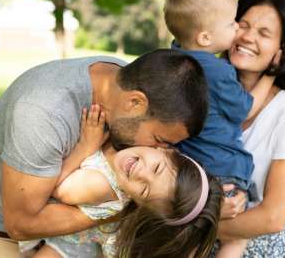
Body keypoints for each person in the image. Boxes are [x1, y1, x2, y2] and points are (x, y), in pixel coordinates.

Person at [0, 49, 209, 258]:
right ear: (135, 102)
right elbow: (21, 224)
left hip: (43, 240)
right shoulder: (43, 112)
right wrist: (119, 210)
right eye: (159, 140)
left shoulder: (117, 80)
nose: (157, 150)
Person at [164, 0, 279, 257]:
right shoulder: (218, 72)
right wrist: (271, 76)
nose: (238, 28)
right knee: (236, 241)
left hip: (187, 167)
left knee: (187, 241)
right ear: (205, 38)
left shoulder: (172, 57)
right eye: (232, 23)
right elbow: (243, 110)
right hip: (223, 167)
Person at [21, 105, 222, 258]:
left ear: (139, 203)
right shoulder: (133, 143)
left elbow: (59, 189)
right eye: (157, 168)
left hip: (68, 245)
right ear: (167, 150)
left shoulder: (101, 185)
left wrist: (86, 145)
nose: (141, 174)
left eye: (144, 190)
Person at [215, 0, 285, 257]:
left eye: (264, 33)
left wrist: (192, 225)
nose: (248, 37)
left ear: (282, 51)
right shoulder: (205, 95)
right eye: (243, 25)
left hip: (260, 247)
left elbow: (273, 217)